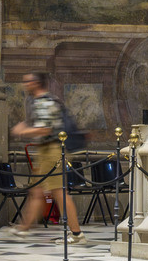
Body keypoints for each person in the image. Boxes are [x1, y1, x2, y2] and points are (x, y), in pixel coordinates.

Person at [7, 72, 88, 243]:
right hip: (45, 150)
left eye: (27, 82)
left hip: (52, 151)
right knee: (36, 191)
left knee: (59, 192)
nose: (24, 85)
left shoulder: (44, 102)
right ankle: (24, 228)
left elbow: (44, 130)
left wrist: (22, 132)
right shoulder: (37, 102)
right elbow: (34, 123)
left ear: (36, 83)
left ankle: (76, 233)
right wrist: (23, 126)